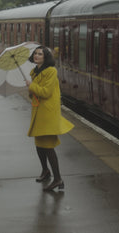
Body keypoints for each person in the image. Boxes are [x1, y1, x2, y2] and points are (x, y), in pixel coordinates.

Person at [25, 46, 74, 191]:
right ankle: (45, 171)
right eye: (35, 53)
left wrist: (32, 86)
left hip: (47, 113)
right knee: (39, 144)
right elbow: (34, 94)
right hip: (38, 111)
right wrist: (30, 88)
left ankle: (58, 179)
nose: (36, 55)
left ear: (46, 57)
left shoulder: (51, 72)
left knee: (48, 147)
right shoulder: (35, 72)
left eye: (40, 54)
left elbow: (46, 93)